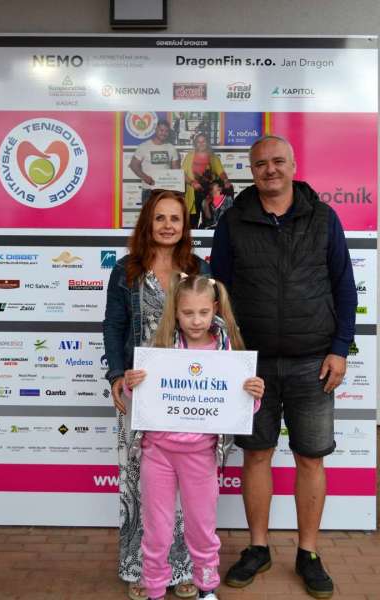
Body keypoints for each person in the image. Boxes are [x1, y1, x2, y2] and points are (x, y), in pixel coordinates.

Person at [210, 135, 357, 600]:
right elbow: (219, 291)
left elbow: (345, 288)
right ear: (251, 171)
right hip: (250, 365)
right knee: (256, 455)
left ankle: (308, 552)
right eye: (260, 164)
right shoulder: (232, 221)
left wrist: (339, 349)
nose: (269, 169)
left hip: (313, 362)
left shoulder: (324, 218)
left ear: (293, 165)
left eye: (277, 161)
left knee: (310, 457)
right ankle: (258, 548)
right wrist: (226, 352)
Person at [123, 274, 265, 600]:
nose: (196, 320)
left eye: (203, 312)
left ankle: (206, 588)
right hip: (157, 453)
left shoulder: (228, 351)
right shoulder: (160, 350)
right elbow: (141, 399)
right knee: (157, 531)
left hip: (201, 455)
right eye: (188, 313)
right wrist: (133, 384)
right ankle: (155, 590)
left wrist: (254, 394)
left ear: (215, 308)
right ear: (175, 311)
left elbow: (240, 406)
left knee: (202, 528)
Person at [103, 189, 210, 600]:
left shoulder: (198, 268)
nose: (167, 225)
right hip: (140, 393)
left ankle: (183, 569)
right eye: (160, 217)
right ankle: (141, 569)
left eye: (175, 219)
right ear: (148, 221)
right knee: (139, 486)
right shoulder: (125, 270)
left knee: (188, 488)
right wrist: (116, 374)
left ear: (185, 226)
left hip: (189, 394)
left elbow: (215, 325)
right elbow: (114, 325)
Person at [182, 133, 231, 229]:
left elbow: (221, 171)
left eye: (203, 141)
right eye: (198, 142)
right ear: (195, 143)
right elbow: (182, 173)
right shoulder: (189, 156)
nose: (201, 144)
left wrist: (225, 180)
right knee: (192, 221)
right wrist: (192, 183)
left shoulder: (213, 157)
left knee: (208, 220)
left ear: (207, 142)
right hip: (193, 192)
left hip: (208, 192)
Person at [129, 120, 180, 206]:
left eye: (166, 131)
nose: (163, 133)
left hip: (165, 190)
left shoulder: (171, 148)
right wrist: (145, 177)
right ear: (156, 130)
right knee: (148, 215)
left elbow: (176, 170)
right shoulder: (144, 146)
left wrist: (176, 187)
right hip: (149, 190)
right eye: (161, 130)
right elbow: (133, 165)